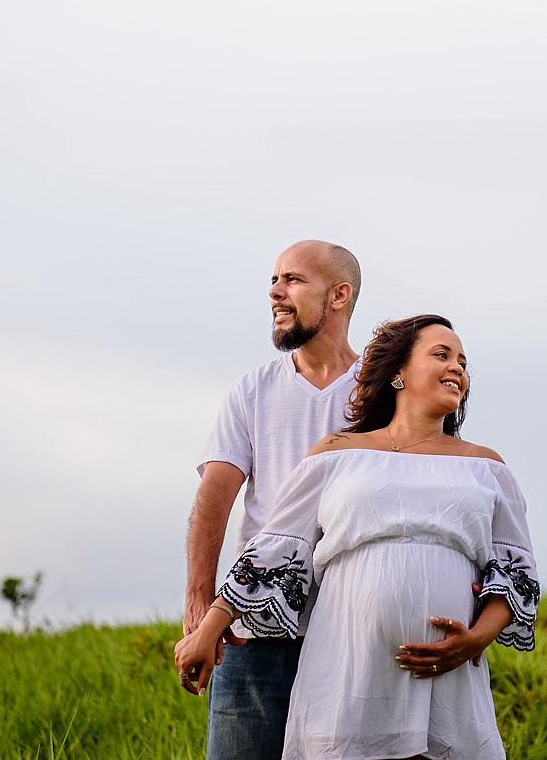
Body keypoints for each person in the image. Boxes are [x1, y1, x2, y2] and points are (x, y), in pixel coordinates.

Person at [176, 314, 540, 760]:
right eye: (442, 355)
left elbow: (515, 570)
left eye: (463, 362)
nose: (457, 368)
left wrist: (478, 638)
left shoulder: (487, 466)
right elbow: (278, 549)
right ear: (399, 372)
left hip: (446, 674)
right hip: (346, 669)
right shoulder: (337, 453)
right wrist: (211, 625)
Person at [184, 240, 364, 760]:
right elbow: (215, 496)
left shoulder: (382, 392)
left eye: (292, 279)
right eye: (273, 279)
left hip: (354, 632)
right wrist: (199, 598)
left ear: (338, 295)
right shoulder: (252, 390)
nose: (275, 291)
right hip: (254, 633)